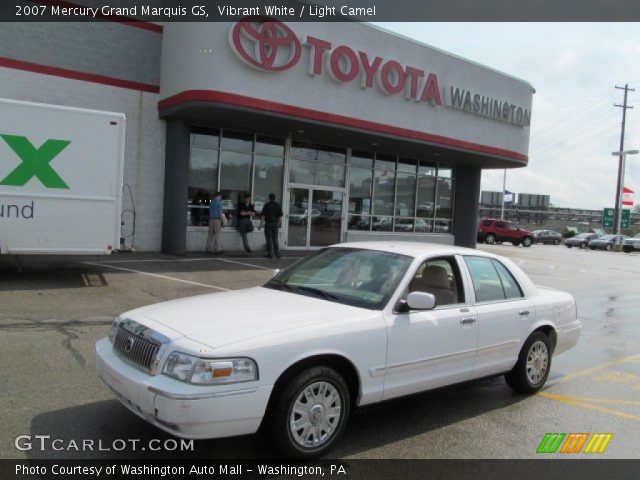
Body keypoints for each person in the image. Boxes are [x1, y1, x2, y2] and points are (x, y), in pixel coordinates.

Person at [260, 193, 283, 259]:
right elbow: (280, 216)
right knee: (275, 239)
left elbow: (263, 216)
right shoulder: (278, 205)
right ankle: (277, 254)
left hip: (268, 224)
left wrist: (261, 225)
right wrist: (278, 224)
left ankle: (270, 254)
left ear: (269, 198)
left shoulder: (266, 205)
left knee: (269, 239)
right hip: (275, 224)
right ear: (274, 198)